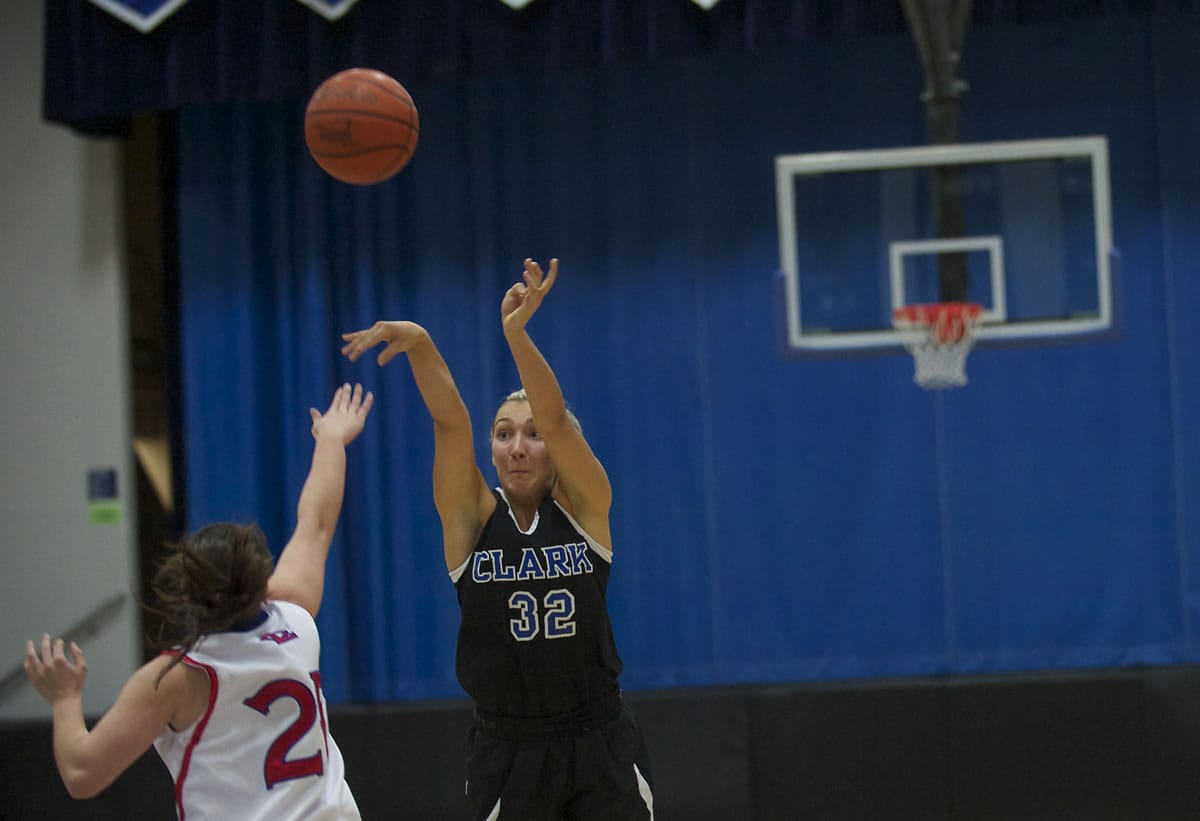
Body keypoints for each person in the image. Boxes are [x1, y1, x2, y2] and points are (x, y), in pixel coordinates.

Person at [342, 257, 654, 820]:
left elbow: (557, 419)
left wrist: (515, 333)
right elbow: (450, 422)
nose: (517, 446)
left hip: (600, 737)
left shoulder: (588, 506)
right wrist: (420, 343)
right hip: (510, 748)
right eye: (504, 433)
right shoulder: (470, 521)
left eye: (532, 436)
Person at [24, 383, 374, 821]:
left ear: (186, 594)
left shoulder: (175, 678)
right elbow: (317, 522)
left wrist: (63, 698)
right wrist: (331, 440)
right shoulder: (295, 617)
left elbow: (81, 772)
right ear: (259, 581)